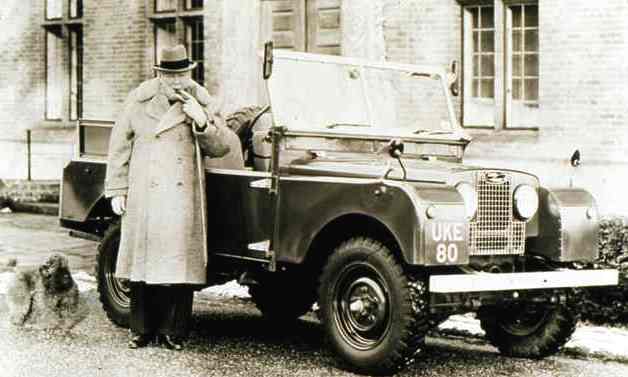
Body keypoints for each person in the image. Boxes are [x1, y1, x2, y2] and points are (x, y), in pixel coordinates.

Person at [104, 45, 233, 350]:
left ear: (190, 72)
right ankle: (141, 329)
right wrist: (117, 188)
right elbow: (119, 145)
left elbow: (222, 146)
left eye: (182, 74)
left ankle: (173, 332)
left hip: (181, 194)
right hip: (145, 192)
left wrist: (201, 121)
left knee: (178, 266)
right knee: (142, 263)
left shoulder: (203, 102)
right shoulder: (139, 100)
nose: (177, 81)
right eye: (170, 75)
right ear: (160, 75)